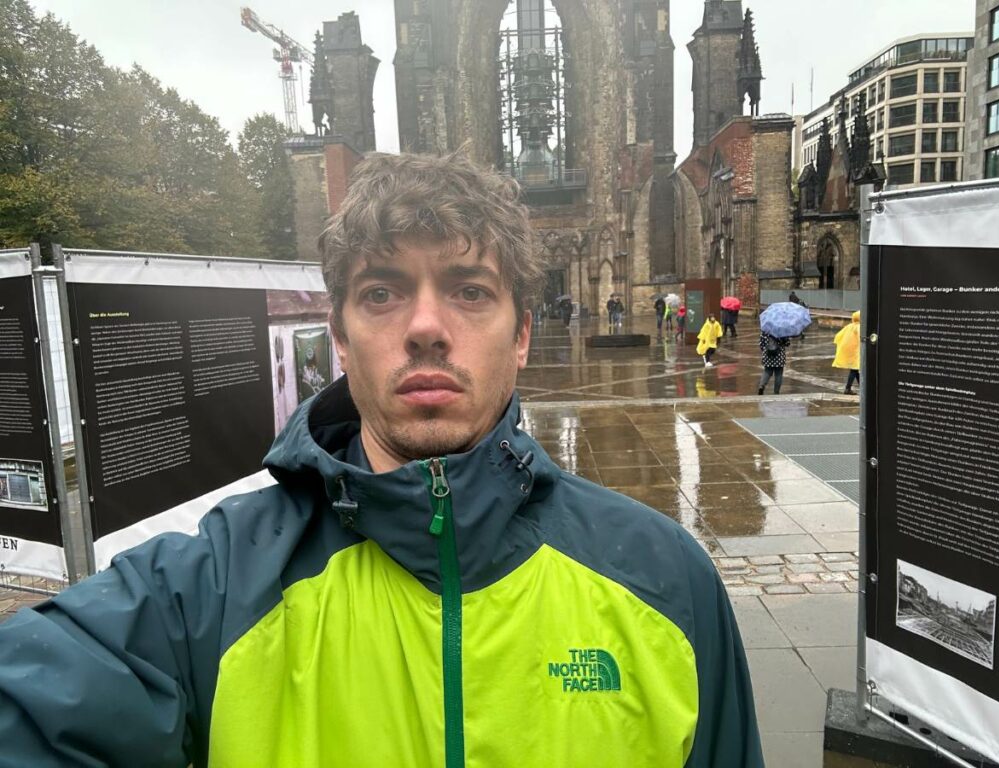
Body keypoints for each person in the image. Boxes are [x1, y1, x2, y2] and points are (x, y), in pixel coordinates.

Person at [0, 152, 763, 766]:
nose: (427, 326)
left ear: (522, 334)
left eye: (469, 291)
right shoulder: (210, 591)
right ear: (338, 335)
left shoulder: (667, 582)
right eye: (381, 293)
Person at [833, 310, 861, 394]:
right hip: (856, 352)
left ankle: (862, 388)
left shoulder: (849, 326)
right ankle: (848, 388)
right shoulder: (859, 327)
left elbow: (838, 336)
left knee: (855, 369)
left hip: (850, 351)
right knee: (855, 369)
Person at [758, 330, 790, 395]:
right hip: (779, 355)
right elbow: (787, 343)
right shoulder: (782, 331)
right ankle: (776, 392)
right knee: (778, 374)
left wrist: (765, 350)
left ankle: (762, 385)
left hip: (768, 354)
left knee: (767, 371)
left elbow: (761, 344)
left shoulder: (764, 331)